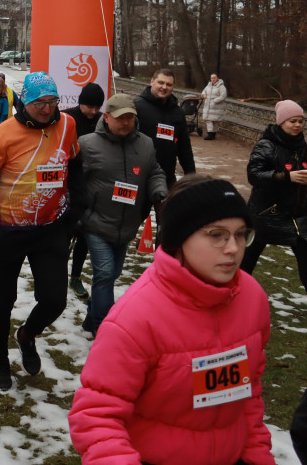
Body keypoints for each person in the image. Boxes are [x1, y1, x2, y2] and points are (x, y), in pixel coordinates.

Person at [69, 176, 273, 465]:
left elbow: (248, 393)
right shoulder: (136, 317)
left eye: (241, 234)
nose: (233, 248)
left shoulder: (252, 297)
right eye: (217, 235)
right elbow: (97, 415)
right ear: (179, 239)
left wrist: (257, 456)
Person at [0, 71, 85, 390]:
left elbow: (75, 168)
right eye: (39, 103)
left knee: (55, 299)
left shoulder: (68, 125)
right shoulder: (3, 134)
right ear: (23, 103)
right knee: (2, 303)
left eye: (53, 102)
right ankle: (0, 362)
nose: (48, 109)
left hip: (50, 228)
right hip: (8, 231)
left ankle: (27, 335)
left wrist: (76, 211)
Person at [77, 93, 167, 336]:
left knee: (112, 274)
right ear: (106, 117)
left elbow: (154, 172)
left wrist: (160, 191)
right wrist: (77, 213)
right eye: (120, 118)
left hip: (128, 224)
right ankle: (102, 328)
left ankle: (91, 315)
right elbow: (74, 181)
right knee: (105, 273)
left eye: (130, 117)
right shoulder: (87, 144)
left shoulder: (146, 144)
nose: (126, 122)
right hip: (96, 222)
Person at [240, 100, 307, 294]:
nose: (297, 125)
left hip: (296, 216)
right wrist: (286, 177)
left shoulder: (303, 146)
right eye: (292, 121)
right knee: (245, 262)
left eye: (300, 121)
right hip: (264, 213)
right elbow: (254, 175)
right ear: (281, 122)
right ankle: (232, 296)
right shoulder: (265, 145)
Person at [61, 81, 105, 299]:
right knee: (64, 231)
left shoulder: (101, 121)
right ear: (81, 103)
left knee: (85, 234)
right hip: (66, 183)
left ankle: (75, 276)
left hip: (91, 185)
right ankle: (57, 272)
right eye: (90, 107)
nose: (94, 112)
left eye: (98, 107)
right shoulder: (67, 118)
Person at [134, 67, 196, 187]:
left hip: (166, 177)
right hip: (140, 176)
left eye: (169, 84)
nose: (164, 87)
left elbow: (184, 148)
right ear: (152, 82)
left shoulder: (178, 113)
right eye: (161, 82)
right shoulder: (137, 107)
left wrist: (191, 177)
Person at [201, 73, 227, 140]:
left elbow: (223, 96)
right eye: (212, 78)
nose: (213, 79)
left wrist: (215, 100)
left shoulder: (221, 87)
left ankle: (213, 134)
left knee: (215, 121)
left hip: (216, 107)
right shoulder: (208, 85)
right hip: (208, 106)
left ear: (217, 78)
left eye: (214, 78)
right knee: (209, 120)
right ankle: (210, 134)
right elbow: (203, 91)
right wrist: (204, 95)